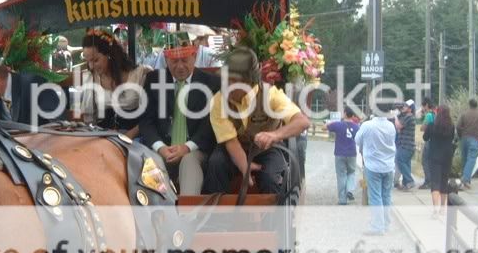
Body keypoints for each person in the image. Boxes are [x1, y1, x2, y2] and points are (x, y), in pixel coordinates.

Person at [202, 47, 310, 196]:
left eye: (234, 81)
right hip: (234, 148)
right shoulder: (218, 100)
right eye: (225, 79)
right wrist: (244, 166)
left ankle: (273, 218)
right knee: (215, 164)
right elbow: (230, 141)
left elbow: (302, 122)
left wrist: (275, 135)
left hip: (268, 150)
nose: (227, 86)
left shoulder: (271, 95)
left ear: (250, 81)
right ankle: (217, 216)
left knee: (271, 178)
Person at [139, 36, 221, 195]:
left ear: (194, 56)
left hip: (196, 148)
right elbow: (146, 121)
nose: (180, 67)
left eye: (184, 60)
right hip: (163, 147)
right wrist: (160, 147)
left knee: (189, 162)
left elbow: (210, 125)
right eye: (174, 62)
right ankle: (156, 216)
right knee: (150, 163)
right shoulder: (154, 79)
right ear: (166, 59)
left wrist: (186, 148)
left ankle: (187, 216)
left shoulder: (211, 82)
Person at [78, 28, 151, 138]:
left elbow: (149, 117)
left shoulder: (140, 75)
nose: (91, 66)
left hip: (136, 138)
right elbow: (89, 120)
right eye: (88, 61)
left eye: (95, 60)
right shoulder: (91, 79)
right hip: (105, 139)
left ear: (110, 54)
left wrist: (127, 137)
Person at [355, 104, 397, 235]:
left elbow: (357, 139)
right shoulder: (391, 126)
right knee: (386, 196)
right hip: (389, 165)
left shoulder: (367, 125)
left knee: (375, 197)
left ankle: (377, 227)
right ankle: (386, 224)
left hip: (373, 165)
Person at [423, 105, 456, 219]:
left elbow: (425, 137)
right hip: (447, 156)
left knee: (435, 182)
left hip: (434, 156)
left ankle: (435, 210)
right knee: (444, 181)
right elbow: (452, 138)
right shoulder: (451, 127)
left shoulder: (432, 126)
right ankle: (443, 208)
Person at [326, 106, 360, 205]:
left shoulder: (338, 125)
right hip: (351, 153)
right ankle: (349, 189)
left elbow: (325, 127)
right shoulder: (356, 127)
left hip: (339, 153)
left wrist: (330, 123)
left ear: (344, 113)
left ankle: (342, 199)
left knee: (341, 175)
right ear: (353, 115)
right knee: (351, 172)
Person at [457, 98, 478, 189]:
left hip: (464, 138)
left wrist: (460, 136)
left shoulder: (464, 114)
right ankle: (465, 179)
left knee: (464, 159)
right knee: (471, 159)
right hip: (475, 139)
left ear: (469, 105)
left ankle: (466, 181)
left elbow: (458, 126)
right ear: (476, 105)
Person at [394, 100, 417, 190]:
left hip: (406, 145)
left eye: (405, 106)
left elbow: (399, 126)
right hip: (406, 145)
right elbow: (400, 129)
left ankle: (410, 181)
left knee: (400, 162)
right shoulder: (406, 117)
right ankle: (406, 184)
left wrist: (395, 116)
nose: (403, 107)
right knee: (406, 164)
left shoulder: (409, 116)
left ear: (410, 109)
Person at [418, 99, 435, 189]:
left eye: (423, 106)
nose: (422, 108)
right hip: (435, 141)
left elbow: (422, 128)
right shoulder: (435, 113)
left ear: (427, 105)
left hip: (429, 141)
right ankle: (432, 180)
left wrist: (423, 116)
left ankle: (428, 181)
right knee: (431, 162)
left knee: (425, 161)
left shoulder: (428, 115)